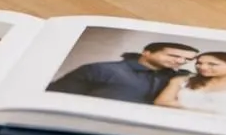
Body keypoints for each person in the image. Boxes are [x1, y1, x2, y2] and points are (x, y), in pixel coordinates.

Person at [46, 41, 197, 103]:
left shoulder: (179, 78)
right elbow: (56, 97)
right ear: (147, 53)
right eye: (174, 56)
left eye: (186, 59)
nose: (180, 61)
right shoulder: (100, 69)